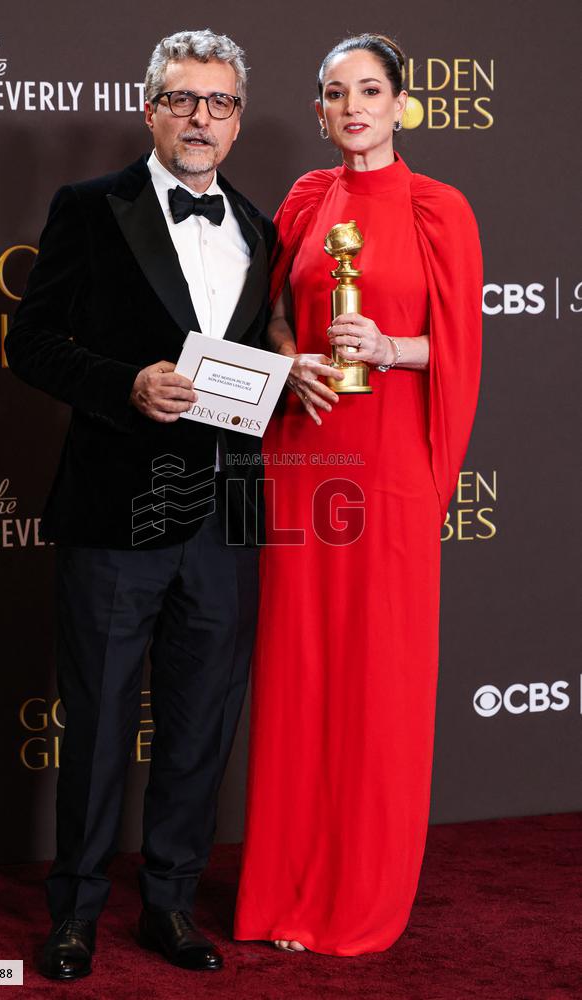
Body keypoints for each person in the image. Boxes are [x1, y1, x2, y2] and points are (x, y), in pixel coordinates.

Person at [5, 29, 275, 978]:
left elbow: (260, 359)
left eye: (220, 102)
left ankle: (170, 904)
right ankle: (75, 913)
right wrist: (123, 384)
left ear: (238, 120)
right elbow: (31, 344)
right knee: (98, 720)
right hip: (116, 511)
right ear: (150, 108)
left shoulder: (261, 227)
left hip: (226, 516)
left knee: (201, 724)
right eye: (183, 100)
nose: (202, 118)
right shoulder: (89, 207)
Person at [234, 33, 482, 955]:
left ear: (402, 103)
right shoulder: (305, 201)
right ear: (319, 110)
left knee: (379, 677)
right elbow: (273, 315)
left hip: (391, 466)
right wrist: (292, 359)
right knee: (299, 674)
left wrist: (388, 348)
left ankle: (360, 897)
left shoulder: (438, 208)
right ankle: (285, 890)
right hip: (306, 460)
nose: (353, 108)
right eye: (336, 94)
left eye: (370, 90)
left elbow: (459, 345)